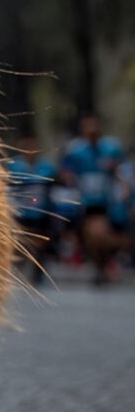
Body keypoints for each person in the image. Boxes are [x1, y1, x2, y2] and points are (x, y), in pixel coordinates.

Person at [62, 114, 126, 285]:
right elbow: (66, 172)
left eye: (94, 127)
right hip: (85, 202)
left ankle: (103, 264)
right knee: (93, 235)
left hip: (107, 201)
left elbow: (122, 170)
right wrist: (70, 181)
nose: (92, 131)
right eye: (87, 128)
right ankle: (100, 266)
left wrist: (122, 186)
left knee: (99, 235)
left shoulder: (111, 148)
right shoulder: (75, 151)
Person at [7, 136, 57, 285]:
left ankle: (38, 271)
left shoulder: (47, 168)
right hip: (21, 211)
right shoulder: (14, 167)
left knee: (41, 242)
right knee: (19, 241)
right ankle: (16, 269)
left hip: (41, 212)